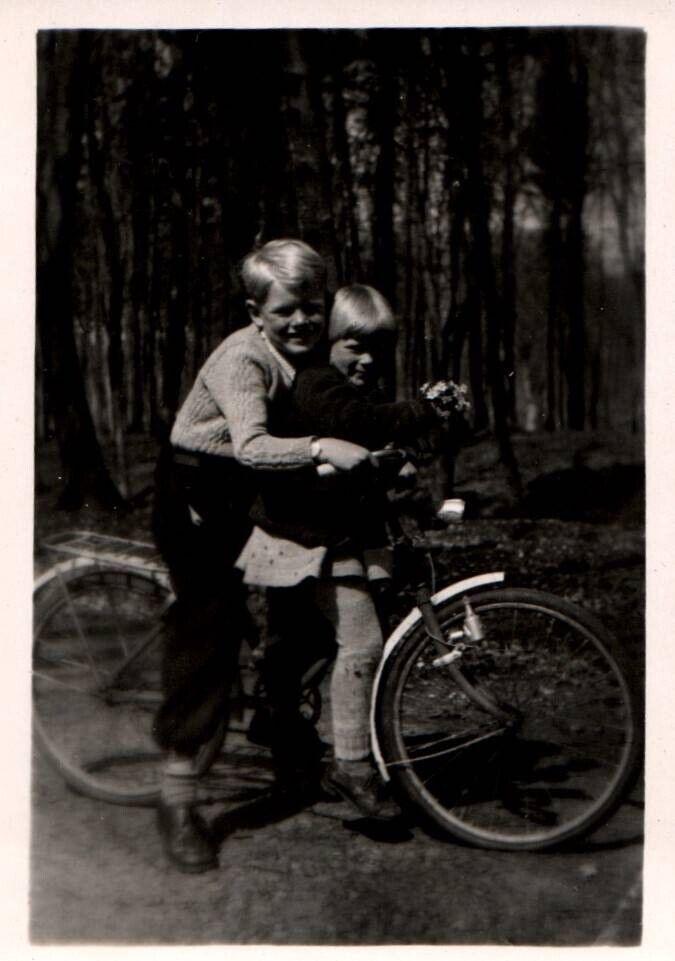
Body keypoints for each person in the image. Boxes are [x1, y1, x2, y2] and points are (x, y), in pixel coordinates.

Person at [151, 241, 373, 873]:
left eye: (311, 308)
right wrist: (322, 446)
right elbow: (251, 446)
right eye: (285, 312)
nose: (301, 322)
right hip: (196, 492)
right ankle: (178, 800)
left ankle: (281, 724)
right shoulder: (244, 359)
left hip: (252, 489)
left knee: (308, 583)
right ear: (256, 312)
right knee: (212, 629)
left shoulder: (313, 356)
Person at [236, 284, 443, 820]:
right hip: (307, 535)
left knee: (309, 639)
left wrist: (394, 467)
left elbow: (363, 448)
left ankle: (276, 708)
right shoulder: (317, 384)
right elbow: (359, 427)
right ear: (327, 339)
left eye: (379, 346)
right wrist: (425, 411)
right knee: (362, 642)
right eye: (354, 344)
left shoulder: (346, 387)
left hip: (333, 530)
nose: (369, 359)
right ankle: (351, 766)